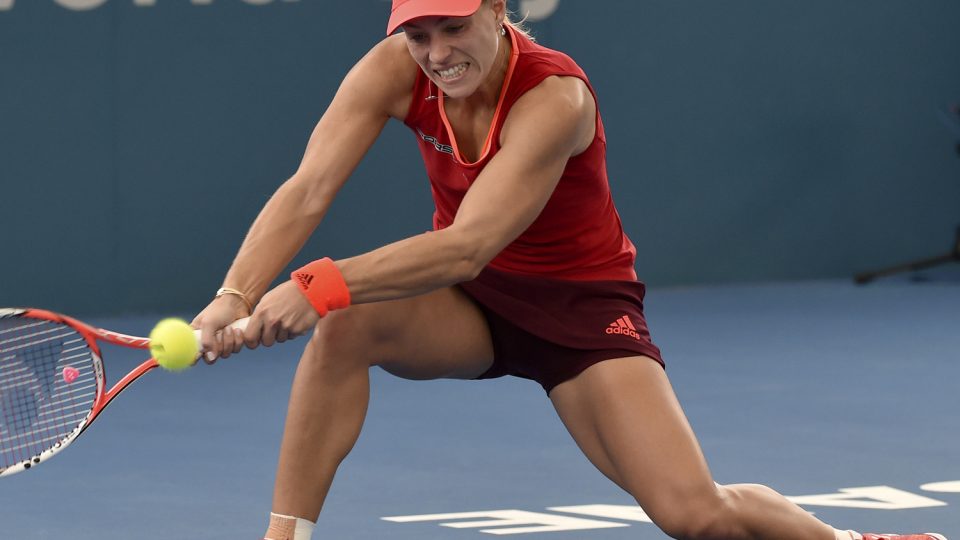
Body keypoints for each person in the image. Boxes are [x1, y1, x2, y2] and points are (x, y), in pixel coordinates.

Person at [191, 1, 948, 539]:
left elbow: (469, 243)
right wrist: (235, 296)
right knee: (347, 326)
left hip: (582, 313)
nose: (435, 51)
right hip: (471, 306)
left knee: (696, 516)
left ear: (497, 9)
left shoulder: (556, 96)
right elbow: (310, 187)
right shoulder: (394, 68)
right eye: (418, 33)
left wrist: (315, 283)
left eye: (453, 27)